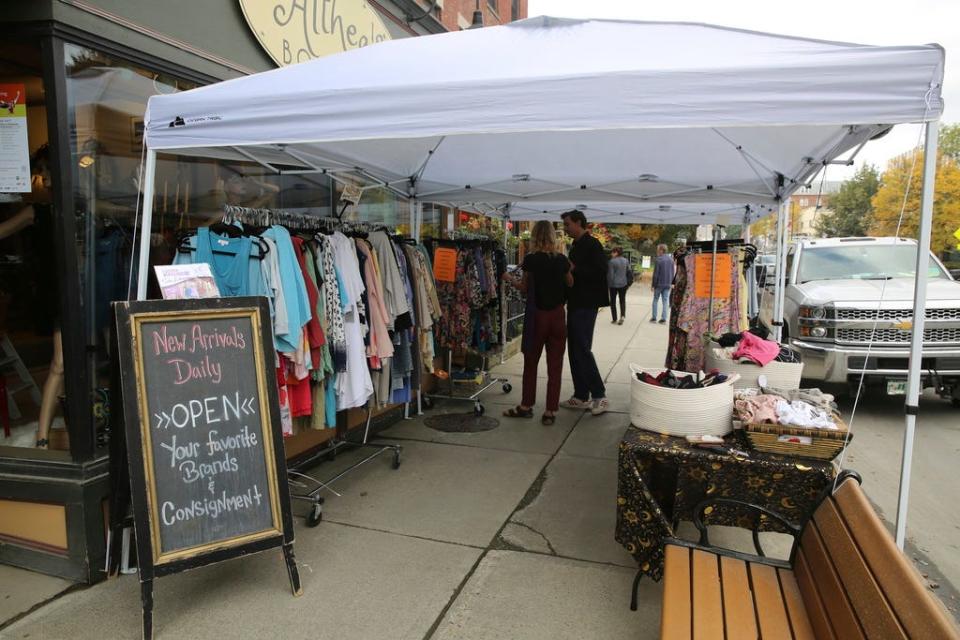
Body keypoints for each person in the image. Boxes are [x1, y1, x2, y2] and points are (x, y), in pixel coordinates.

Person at [0, 145, 62, 449]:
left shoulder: (81, 207)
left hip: (91, 291)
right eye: (43, 175)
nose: (45, 181)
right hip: (61, 295)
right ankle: (42, 437)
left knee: (87, 363)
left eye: (48, 174)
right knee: (61, 364)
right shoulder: (37, 211)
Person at [502, 221, 573, 425]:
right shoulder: (561, 259)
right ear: (553, 236)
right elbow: (570, 282)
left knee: (531, 363)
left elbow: (524, 287)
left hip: (537, 315)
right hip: (558, 315)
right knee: (555, 365)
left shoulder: (531, 260)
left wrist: (508, 278)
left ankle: (526, 406)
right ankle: (550, 411)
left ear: (534, 236)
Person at [559, 210, 609, 416]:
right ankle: (581, 395)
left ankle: (599, 395)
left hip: (586, 304)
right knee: (574, 349)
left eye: (568, 224)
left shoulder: (593, 244)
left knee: (582, 348)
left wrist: (574, 268)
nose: (565, 228)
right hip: (575, 302)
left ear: (579, 223)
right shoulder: (577, 245)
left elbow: (600, 271)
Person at [651, 243, 675, 324]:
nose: (657, 251)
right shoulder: (671, 260)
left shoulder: (658, 260)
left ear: (661, 250)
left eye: (658, 249)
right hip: (668, 283)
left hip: (659, 284)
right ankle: (663, 319)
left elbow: (656, 274)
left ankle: (654, 318)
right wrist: (672, 283)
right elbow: (673, 272)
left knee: (655, 300)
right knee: (665, 301)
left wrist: (653, 285)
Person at [607, 247, 630, 325]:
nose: (611, 254)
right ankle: (622, 316)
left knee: (613, 301)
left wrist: (608, 285)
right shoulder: (626, 261)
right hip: (623, 284)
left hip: (613, 285)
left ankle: (614, 318)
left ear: (616, 252)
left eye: (612, 252)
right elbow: (628, 271)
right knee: (622, 300)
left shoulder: (612, 262)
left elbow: (611, 275)